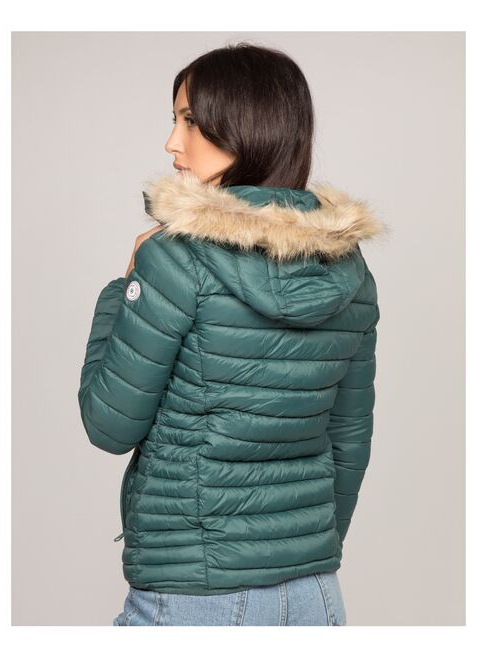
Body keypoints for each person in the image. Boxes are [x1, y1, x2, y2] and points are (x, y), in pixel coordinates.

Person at [78, 42, 388, 626]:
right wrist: (301, 552)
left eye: (189, 121)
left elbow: (108, 424)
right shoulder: (350, 271)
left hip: (194, 594)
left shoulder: (174, 259)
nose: (172, 143)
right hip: (314, 595)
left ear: (243, 129)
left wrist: (123, 287)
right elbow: (351, 443)